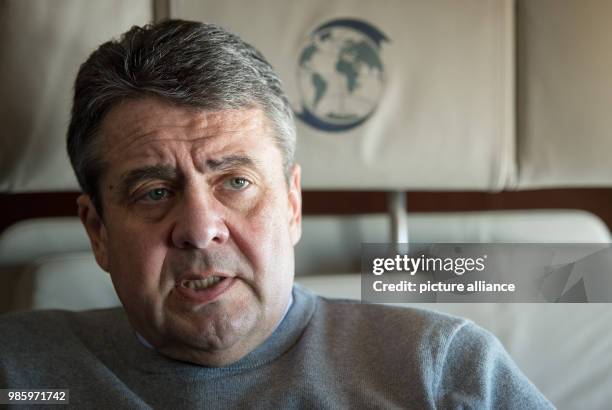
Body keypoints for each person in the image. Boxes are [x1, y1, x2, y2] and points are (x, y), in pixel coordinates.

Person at [0, 19, 554, 409]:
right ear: (97, 231)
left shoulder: (443, 372)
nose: (199, 229)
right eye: (152, 192)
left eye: (235, 182)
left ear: (292, 204)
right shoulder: (18, 373)